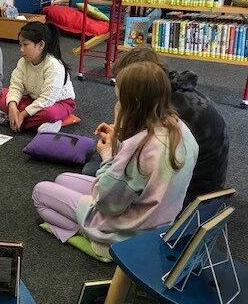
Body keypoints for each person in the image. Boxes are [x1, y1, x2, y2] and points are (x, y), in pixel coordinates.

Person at [32, 62, 199, 259]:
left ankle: (98, 241)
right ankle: (90, 230)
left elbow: (106, 201)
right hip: (159, 221)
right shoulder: (180, 129)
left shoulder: (140, 147)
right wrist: (119, 138)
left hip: (129, 229)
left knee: (40, 193)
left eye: (119, 100)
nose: (117, 105)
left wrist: (109, 155)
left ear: (133, 103)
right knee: (62, 179)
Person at [82, 47, 229, 203]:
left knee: (93, 170)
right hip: (206, 180)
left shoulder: (169, 111)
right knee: (97, 161)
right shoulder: (170, 91)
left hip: (191, 194)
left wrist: (120, 124)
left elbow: (136, 156)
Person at [0, 22, 75, 133]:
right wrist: (13, 107)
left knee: (50, 114)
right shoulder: (23, 62)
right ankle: (30, 123)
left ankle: (11, 121)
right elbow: (15, 87)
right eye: (20, 45)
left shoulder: (54, 66)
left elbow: (48, 99)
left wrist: (23, 114)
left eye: (25, 45)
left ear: (41, 45)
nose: (21, 49)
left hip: (59, 103)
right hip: (35, 99)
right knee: (5, 102)